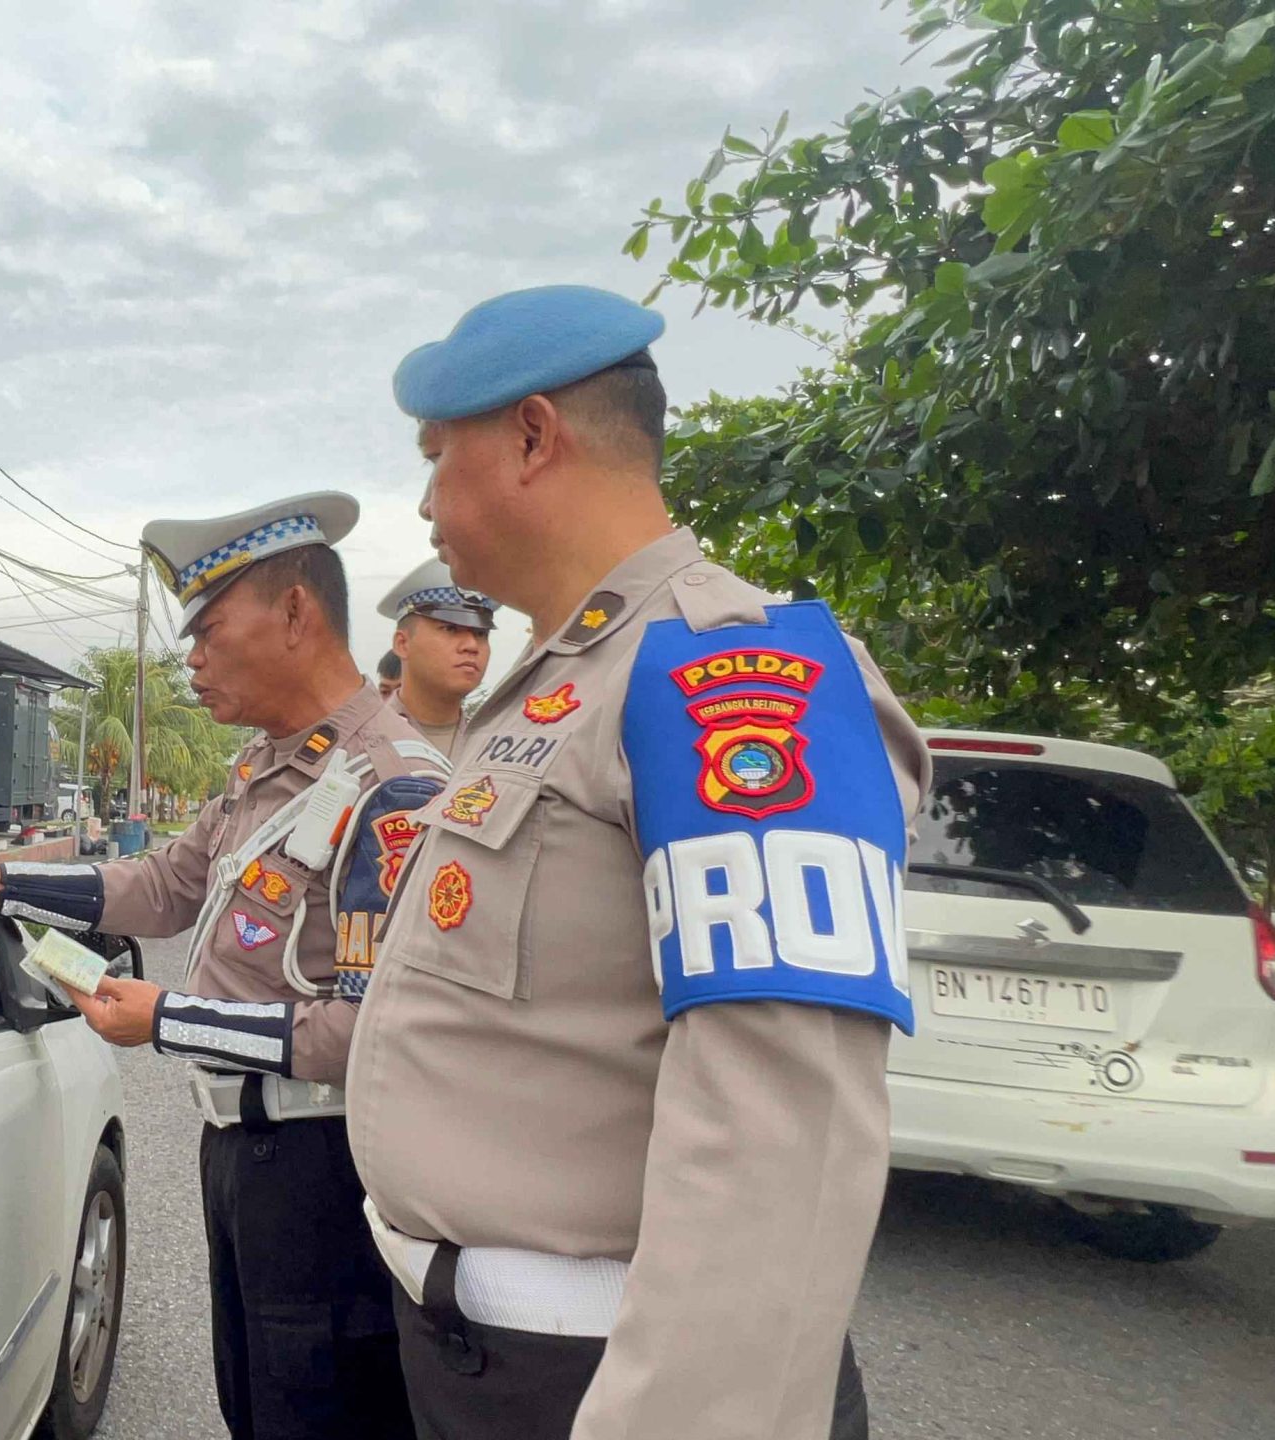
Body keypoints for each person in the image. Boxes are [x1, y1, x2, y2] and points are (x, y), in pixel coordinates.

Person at [345, 285, 929, 1440]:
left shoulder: (734, 676)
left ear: (528, 436)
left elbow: (782, 1130)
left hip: (595, 1375)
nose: (421, 503)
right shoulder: (563, 680)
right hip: (477, 1351)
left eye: (433, 456)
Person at [0, 492, 447, 1440]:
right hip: (242, 1152)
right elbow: (165, 885)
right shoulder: (269, 768)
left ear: (295, 613)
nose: (192, 658)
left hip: (330, 1169)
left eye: (208, 629)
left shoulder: (392, 790)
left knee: (323, 1414)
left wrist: (166, 1019)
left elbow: (374, 1029)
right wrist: (0, 882)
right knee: (256, 1403)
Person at [375, 557, 498, 754]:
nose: (472, 645)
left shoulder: (495, 747)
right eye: (450, 629)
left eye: (481, 633)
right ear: (403, 643)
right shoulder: (362, 738)